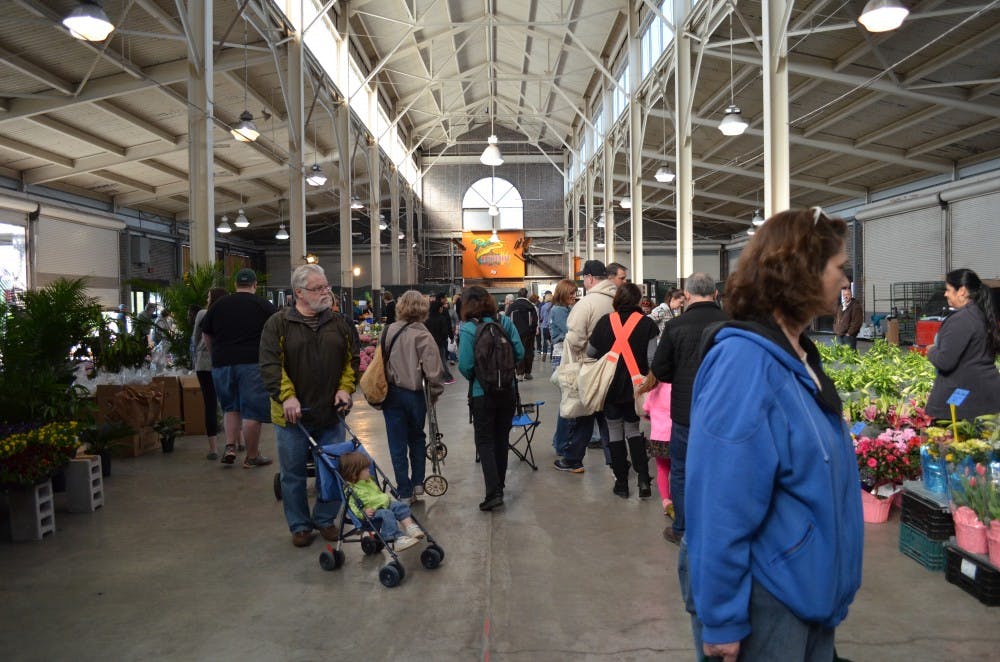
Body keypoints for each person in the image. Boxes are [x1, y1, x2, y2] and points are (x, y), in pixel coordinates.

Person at [684, 207, 864, 662]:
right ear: (803, 272)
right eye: (839, 269)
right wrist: (722, 618)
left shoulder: (799, 356)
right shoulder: (745, 365)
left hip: (809, 596)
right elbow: (720, 505)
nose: (845, 282)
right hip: (769, 602)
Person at [259, 264, 358, 547]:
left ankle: (325, 519)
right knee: (293, 475)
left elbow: (351, 360)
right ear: (299, 293)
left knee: (332, 470)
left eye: (327, 286)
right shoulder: (277, 324)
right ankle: (300, 525)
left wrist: (344, 389)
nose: (326, 292)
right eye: (319, 288)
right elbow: (269, 365)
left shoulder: (340, 323)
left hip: (331, 413)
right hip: (292, 417)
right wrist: (287, 396)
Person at [650, 272, 727, 545]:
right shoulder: (730, 324)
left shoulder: (675, 326)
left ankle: (681, 528)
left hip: (684, 413)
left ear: (688, 295)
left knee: (680, 470)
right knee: (720, 469)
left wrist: (680, 378)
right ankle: (717, 528)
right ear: (715, 294)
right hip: (722, 413)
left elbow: (659, 369)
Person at [584, 282, 659, 498]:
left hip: (610, 387)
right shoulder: (647, 324)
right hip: (636, 387)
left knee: (615, 432)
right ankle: (644, 480)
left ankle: (622, 484)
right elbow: (652, 358)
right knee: (634, 431)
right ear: (637, 301)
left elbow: (591, 352)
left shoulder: (605, 322)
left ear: (617, 299)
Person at [458, 285, 525, 511]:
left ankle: (493, 491)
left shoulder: (468, 329)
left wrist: (480, 377)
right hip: (508, 390)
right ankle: (501, 485)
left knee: (484, 441)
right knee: (500, 438)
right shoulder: (504, 323)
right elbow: (520, 352)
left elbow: (466, 365)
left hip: (481, 393)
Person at [201, 268, 275, 468]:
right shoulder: (263, 305)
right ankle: (252, 456)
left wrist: (215, 353)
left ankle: (230, 447)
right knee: (252, 412)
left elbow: (206, 334)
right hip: (252, 363)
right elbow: (277, 333)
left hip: (222, 364)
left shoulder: (219, 305)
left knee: (230, 407)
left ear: (235, 285)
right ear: (255, 285)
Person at [381, 290, 445, 502]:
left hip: (391, 394)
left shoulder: (388, 331)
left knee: (396, 442)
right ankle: (418, 483)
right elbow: (434, 372)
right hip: (416, 395)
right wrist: (433, 395)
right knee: (416, 437)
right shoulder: (424, 335)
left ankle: (404, 489)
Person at [553, 260, 617, 473]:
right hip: (614, 366)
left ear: (589, 278)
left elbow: (575, 339)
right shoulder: (616, 301)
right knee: (609, 418)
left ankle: (573, 459)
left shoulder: (586, 304)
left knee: (583, 415)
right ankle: (615, 462)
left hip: (588, 367)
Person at [926, 268, 1000, 420]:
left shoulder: (962, 319)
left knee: (953, 442)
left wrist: (931, 350)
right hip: (984, 396)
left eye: (948, 290)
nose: (945, 294)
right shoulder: (980, 314)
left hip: (967, 402)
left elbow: (945, 361)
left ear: (962, 291)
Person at [338, 451, 425, 550]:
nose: (369, 471)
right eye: (365, 469)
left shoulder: (368, 481)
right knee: (386, 514)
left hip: (384, 504)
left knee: (400, 506)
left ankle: (410, 527)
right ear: (354, 473)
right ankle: (397, 539)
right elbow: (352, 506)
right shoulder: (351, 489)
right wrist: (363, 512)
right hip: (372, 513)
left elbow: (378, 493)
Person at [192, 287, 228, 461]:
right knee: (230, 402)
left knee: (210, 404)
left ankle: (213, 449)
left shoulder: (203, 314)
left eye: (208, 295)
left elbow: (195, 338)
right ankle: (236, 442)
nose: (207, 298)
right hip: (225, 361)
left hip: (204, 363)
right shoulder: (228, 314)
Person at [549, 279, 577, 456]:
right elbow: (571, 331)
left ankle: (560, 441)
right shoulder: (559, 310)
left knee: (568, 403)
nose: (574, 296)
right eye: (571, 293)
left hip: (564, 357)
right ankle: (561, 444)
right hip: (562, 358)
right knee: (568, 405)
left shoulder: (564, 309)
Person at [639, 374, 673, 517]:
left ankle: (666, 501)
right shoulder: (675, 388)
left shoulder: (654, 389)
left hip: (658, 438)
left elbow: (645, 409)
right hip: (674, 436)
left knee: (662, 470)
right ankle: (675, 499)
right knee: (678, 471)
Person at [508, 288, 538, 380]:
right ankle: (527, 372)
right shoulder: (530, 306)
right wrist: (532, 331)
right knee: (529, 352)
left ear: (518, 295)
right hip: (528, 333)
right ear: (526, 295)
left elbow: (507, 318)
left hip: (515, 333)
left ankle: (519, 373)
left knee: (518, 351)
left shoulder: (512, 306)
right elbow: (535, 320)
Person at [425, 293, 455, 384]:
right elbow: (444, 332)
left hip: (430, 343)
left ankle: (432, 377)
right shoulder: (442, 318)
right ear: (438, 308)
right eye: (441, 308)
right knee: (442, 360)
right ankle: (448, 377)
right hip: (440, 343)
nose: (442, 309)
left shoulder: (427, 319)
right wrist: (447, 338)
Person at [833, 284, 863, 349]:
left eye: (847, 294)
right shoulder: (841, 306)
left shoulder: (856, 306)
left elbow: (857, 323)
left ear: (851, 295)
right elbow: (836, 319)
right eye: (844, 295)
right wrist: (836, 329)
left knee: (850, 356)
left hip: (848, 337)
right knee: (841, 356)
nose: (845, 296)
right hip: (839, 335)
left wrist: (849, 333)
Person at [538, 291, 553, 361]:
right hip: (552, 327)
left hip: (544, 327)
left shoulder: (543, 307)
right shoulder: (554, 306)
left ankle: (544, 354)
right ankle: (552, 356)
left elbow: (541, 317)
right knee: (552, 341)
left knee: (545, 341)